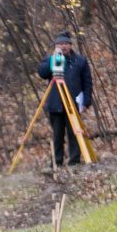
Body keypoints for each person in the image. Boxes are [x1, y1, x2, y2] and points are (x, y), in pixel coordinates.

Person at [37, 30, 93, 167]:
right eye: (60, 44)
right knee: (57, 135)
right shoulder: (51, 59)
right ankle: (57, 161)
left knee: (75, 133)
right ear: (56, 46)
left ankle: (74, 161)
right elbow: (42, 73)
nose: (63, 46)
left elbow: (87, 82)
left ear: (70, 45)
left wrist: (86, 101)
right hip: (56, 103)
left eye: (66, 44)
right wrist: (53, 60)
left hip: (73, 103)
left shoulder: (80, 61)